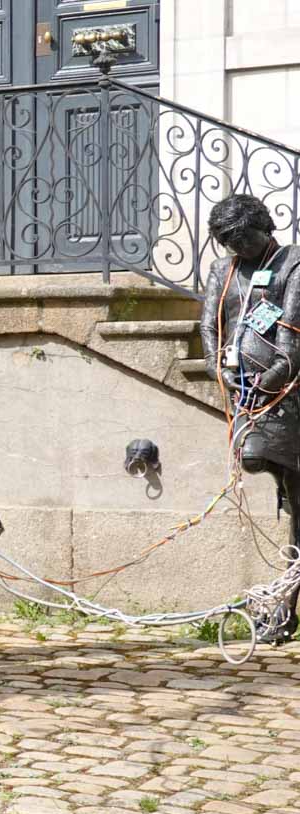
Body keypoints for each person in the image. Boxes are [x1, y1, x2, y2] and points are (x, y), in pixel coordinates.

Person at [200, 194, 300, 640]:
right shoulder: (223, 270)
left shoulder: (291, 264)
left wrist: (274, 378)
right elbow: (209, 325)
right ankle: (285, 605)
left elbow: (293, 334)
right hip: (245, 395)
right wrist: (217, 369)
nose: (237, 248)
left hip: (287, 396)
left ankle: (285, 609)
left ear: (264, 226)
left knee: (293, 494)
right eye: (229, 242)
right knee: (257, 462)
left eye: (243, 238)